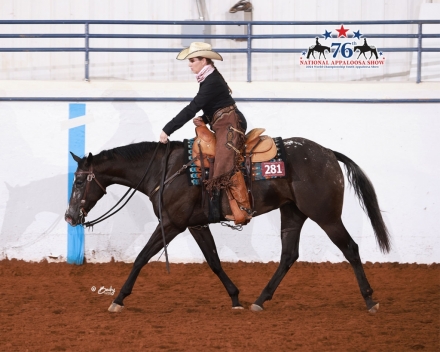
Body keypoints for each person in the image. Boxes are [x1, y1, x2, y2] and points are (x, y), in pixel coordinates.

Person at [159, 42, 252, 225]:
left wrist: (168, 129)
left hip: (231, 124)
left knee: (225, 159)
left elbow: (192, 107)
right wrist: (206, 119)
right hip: (222, 121)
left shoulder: (211, 81)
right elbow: (218, 103)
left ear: (204, 60)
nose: (190, 64)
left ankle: (243, 209)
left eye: (193, 60)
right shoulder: (208, 77)